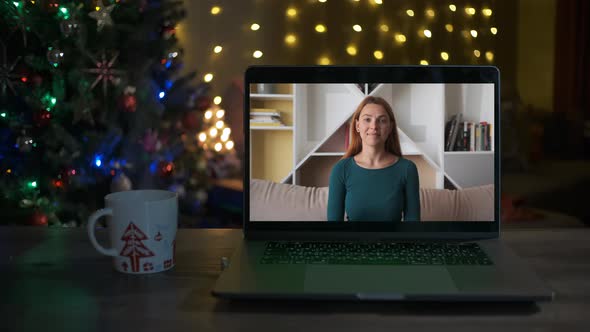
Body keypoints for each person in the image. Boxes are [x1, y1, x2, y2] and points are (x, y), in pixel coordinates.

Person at [327, 96, 420, 222]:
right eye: (367, 119)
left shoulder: (407, 169)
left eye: (381, 120)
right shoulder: (341, 169)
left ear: (390, 127)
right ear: (357, 126)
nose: (374, 126)